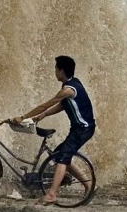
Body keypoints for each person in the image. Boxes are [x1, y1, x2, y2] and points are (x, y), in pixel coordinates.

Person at [13, 56, 95, 204]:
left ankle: (51, 194)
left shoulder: (67, 90)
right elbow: (64, 105)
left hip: (83, 129)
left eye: (56, 69)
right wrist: (42, 116)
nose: (54, 71)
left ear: (61, 71)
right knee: (62, 156)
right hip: (80, 128)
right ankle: (89, 187)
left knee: (62, 158)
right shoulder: (73, 84)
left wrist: (23, 117)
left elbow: (46, 104)